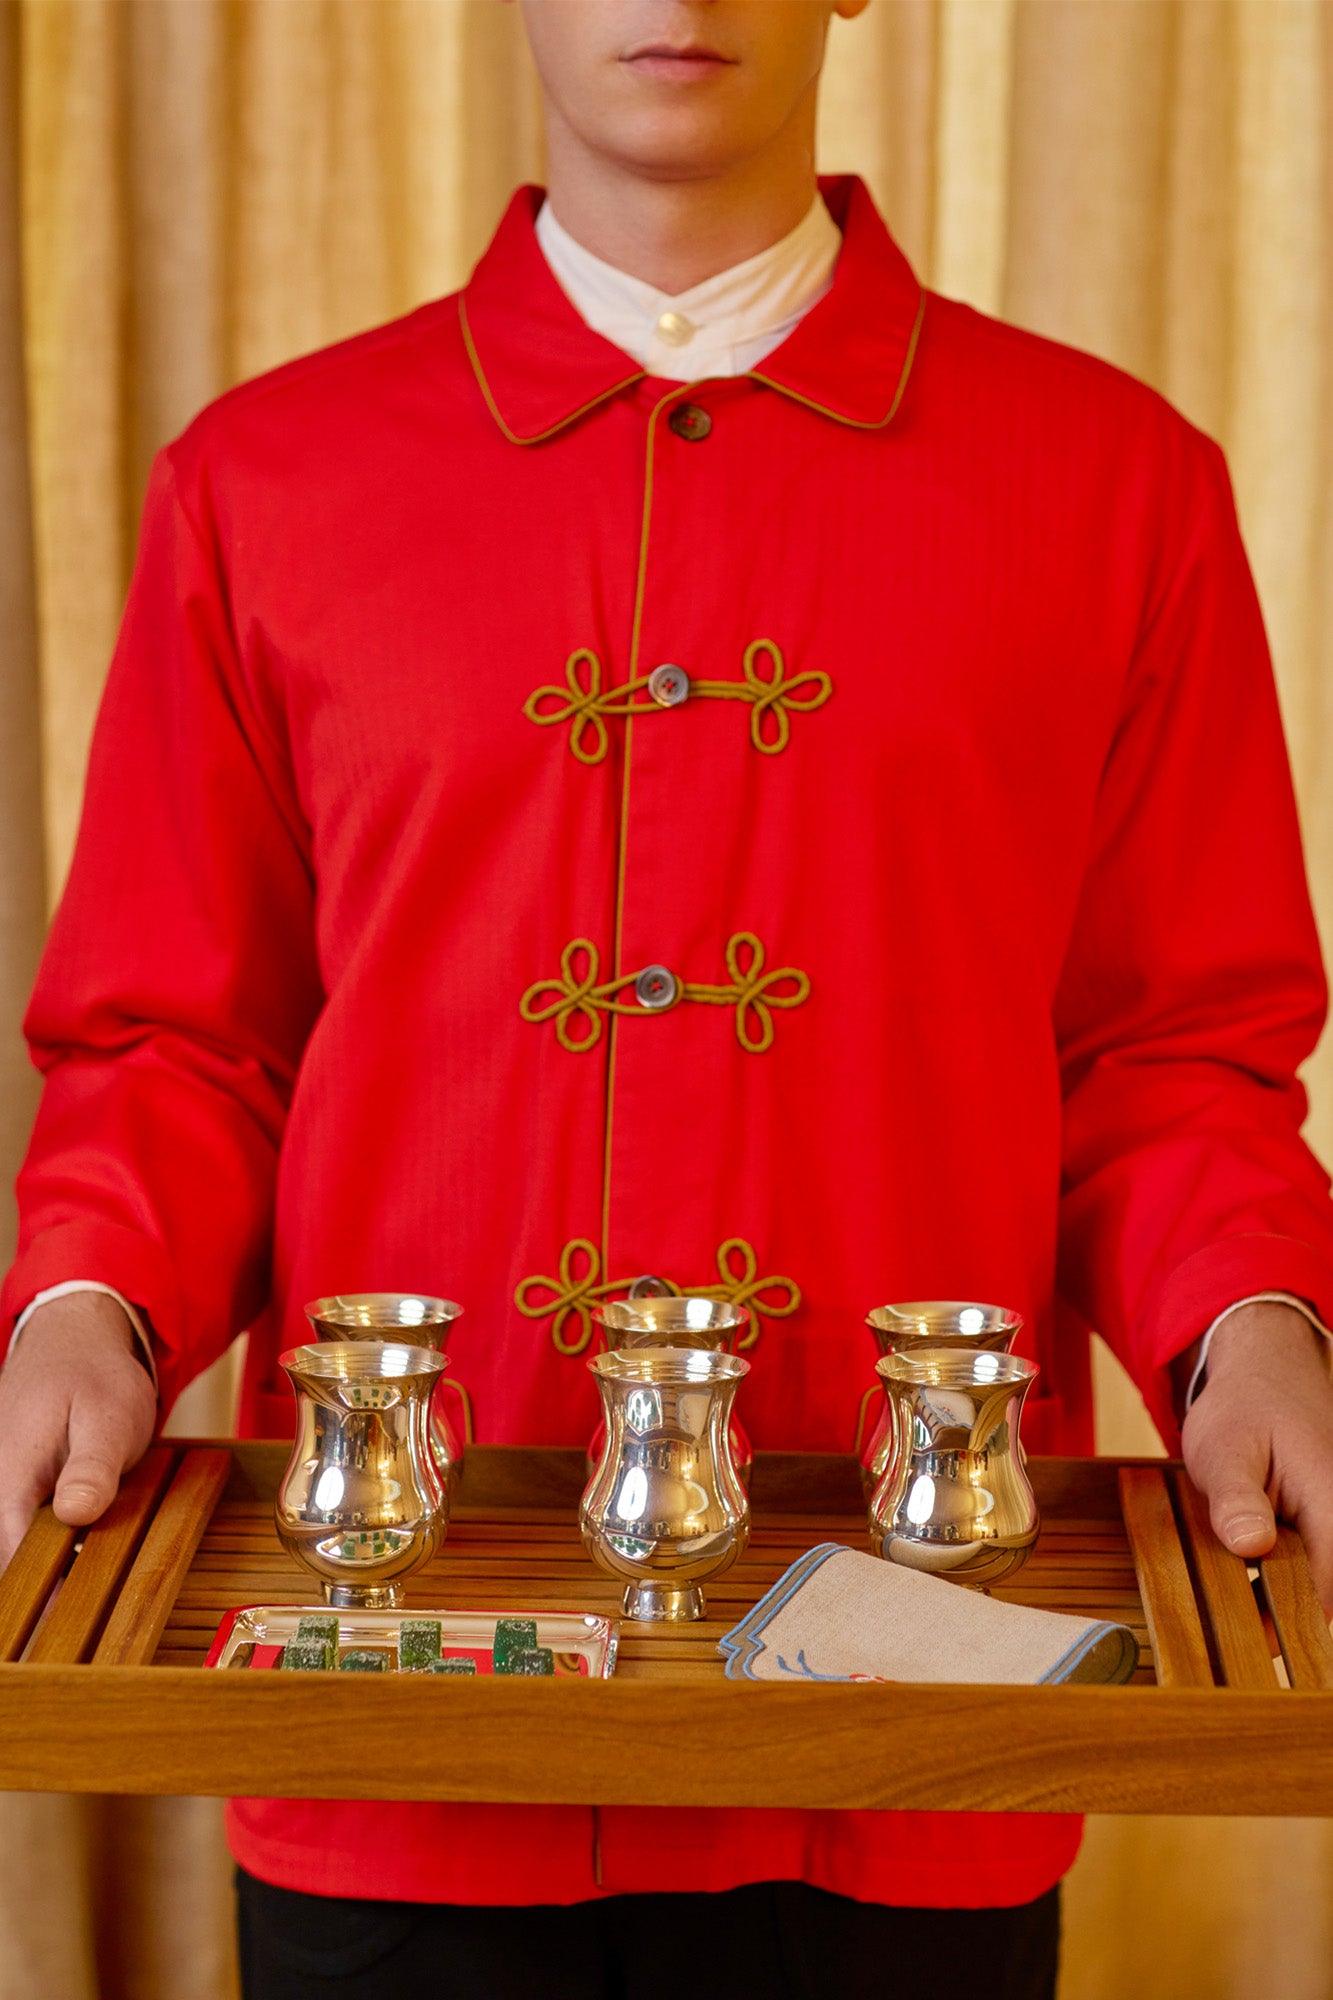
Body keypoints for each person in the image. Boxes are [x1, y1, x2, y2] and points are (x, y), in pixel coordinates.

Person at [3, 1, 1333, 1993]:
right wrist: (88, 1306)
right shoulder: (259, 487)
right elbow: (178, 1045)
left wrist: (1253, 1332)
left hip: (907, 1720)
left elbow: (1166, 1054)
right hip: (395, 1722)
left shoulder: (1112, 485)